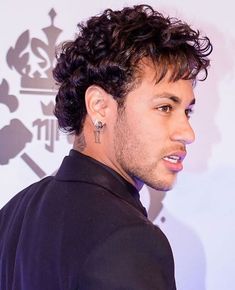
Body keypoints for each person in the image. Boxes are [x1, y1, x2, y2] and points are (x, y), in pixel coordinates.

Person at [0, 4, 212, 290]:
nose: (187, 133)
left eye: (187, 111)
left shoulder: (13, 214)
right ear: (100, 106)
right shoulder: (130, 238)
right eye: (164, 107)